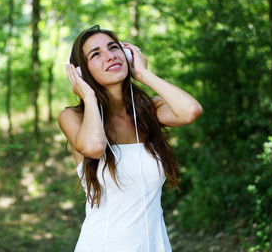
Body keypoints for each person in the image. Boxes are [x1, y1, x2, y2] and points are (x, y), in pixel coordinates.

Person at [58, 25, 203, 252]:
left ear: (127, 55)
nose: (110, 56)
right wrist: (88, 96)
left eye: (114, 48)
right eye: (96, 54)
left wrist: (144, 74)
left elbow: (190, 111)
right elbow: (95, 147)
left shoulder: (149, 111)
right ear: (80, 72)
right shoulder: (74, 117)